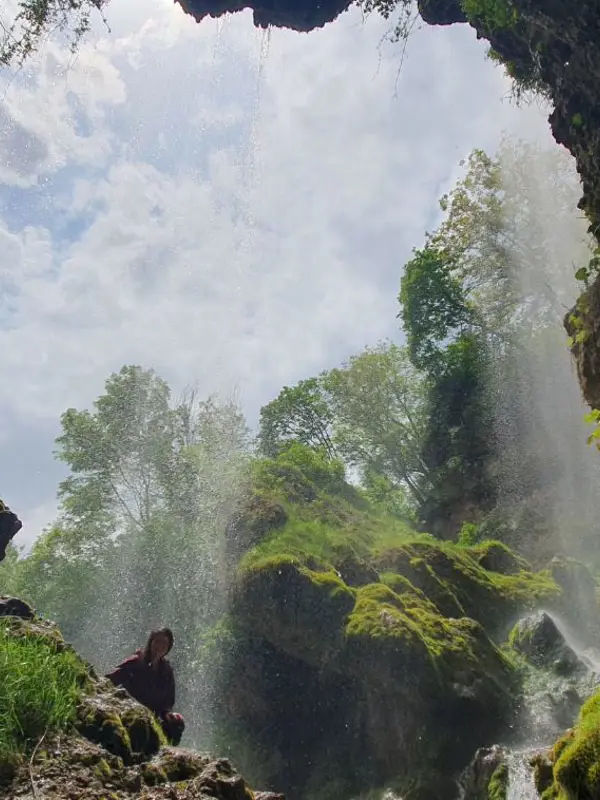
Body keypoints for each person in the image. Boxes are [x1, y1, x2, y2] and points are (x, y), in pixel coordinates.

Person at [106, 627, 185, 746]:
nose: (160, 646)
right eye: (157, 641)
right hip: (130, 709)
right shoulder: (136, 661)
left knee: (177, 723)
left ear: (169, 647)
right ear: (150, 642)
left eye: (164, 643)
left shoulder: (166, 670)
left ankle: (169, 751)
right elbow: (110, 679)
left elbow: (169, 700)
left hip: (155, 715)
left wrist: (168, 714)